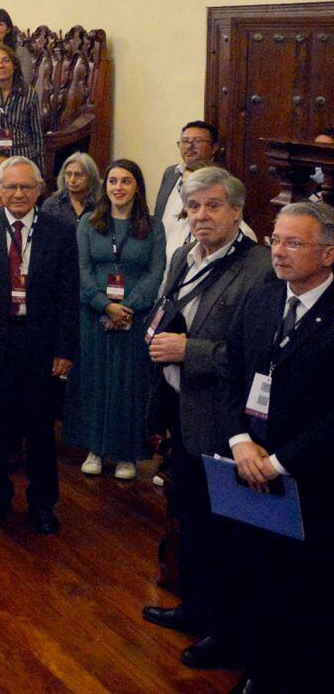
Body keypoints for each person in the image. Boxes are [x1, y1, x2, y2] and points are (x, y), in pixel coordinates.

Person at [140, 167, 272, 670]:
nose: (201, 216)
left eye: (213, 206)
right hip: (180, 409)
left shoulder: (259, 267)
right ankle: (195, 608)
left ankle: (228, 631)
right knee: (190, 519)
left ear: (237, 212)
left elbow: (253, 356)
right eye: (194, 207)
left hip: (227, 423)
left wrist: (188, 351)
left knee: (228, 532)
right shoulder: (181, 256)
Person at [222, 201, 334, 693]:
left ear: (328, 253)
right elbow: (232, 371)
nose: (279, 252)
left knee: (306, 589)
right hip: (250, 467)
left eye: (295, 243)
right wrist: (241, 441)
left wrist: (280, 462)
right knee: (254, 575)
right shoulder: (263, 297)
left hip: (312, 479)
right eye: (275, 240)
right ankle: (259, 669)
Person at [0, 157, 78, 533]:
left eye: (26, 187)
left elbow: (68, 295)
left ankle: (43, 503)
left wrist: (65, 350)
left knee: (41, 428)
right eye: (10, 187)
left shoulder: (61, 231)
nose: (17, 194)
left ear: (40, 188)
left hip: (40, 342)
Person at [62, 160, 164, 482]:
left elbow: (155, 272)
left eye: (126, 181)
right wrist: (105, 305)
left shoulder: (153, 225)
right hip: (94, 316)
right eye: (112, 181)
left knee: (128, 385)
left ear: (137, 187)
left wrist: (128, 307)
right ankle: (94, 448)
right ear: (105, 186)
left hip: (135, 319)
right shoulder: (89, 224)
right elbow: (81, 270)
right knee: (94, 381)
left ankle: (126, 454)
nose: (118, 187)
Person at [152, 121, 224, 254]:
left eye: (197, 141)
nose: (190, 147)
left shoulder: (221, 181)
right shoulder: (170, 173)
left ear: (214, 147)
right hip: (163, 258)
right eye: (185, 141)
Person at [42, 152, 101, 225]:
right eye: (68, 174)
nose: (72, 180)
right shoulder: (51, 205)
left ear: (91, 177)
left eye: (78, 175)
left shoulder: (101, 204)